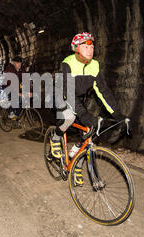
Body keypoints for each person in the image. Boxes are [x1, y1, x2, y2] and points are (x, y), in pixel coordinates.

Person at [50, 32, 127, 185]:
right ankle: (55, 137)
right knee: (70, 117)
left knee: (89, 131)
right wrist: (83, 113)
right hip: (62, 95)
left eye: (91, 46)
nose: (90, 50)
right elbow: (68, 92)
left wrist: (117, 114)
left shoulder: (94, 65)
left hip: (78, 98)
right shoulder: (68, 63)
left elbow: (103, 91)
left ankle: (77, 165)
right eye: (86, 46)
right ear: (76, 49)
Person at [2, 56, 26, 121]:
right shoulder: (10, 69)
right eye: (18, 62)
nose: (19, 64)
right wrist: (18, 93)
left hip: (17, 87)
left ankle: (16, 118)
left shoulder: (21, 69)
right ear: (14, 63)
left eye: (20, 63)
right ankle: (9, 111)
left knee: (22, 102)